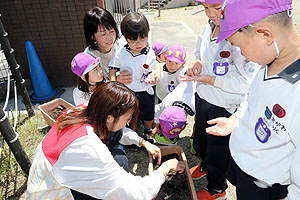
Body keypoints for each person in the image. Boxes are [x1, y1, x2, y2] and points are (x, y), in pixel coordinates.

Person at [205, 0, 300, 199]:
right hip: (246, 166)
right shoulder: (270, 58)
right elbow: (252, 98)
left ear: (265, 35)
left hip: (265, 186)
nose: (241, 54)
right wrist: (235, 120)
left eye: (238, 46)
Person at [26, 82, 185, 200]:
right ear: (109, 117)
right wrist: (166, 168)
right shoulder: (88, 147)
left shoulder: (86, 110)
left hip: (53, 177)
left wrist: (143, 142)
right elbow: (137, 194)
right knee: (119, 169)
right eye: (127, 119)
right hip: (57, 194)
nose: (128, 123)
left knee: (120, 158)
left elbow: (120, 131)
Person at [179, 0, 261, 199]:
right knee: (201, 141)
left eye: (217, 8)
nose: (211, 14)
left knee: (218, 149)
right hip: (204, 96)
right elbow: (200, 53)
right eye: (206, 8)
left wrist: (209, 79)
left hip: (225, 105)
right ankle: (206, 165)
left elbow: (246, 82)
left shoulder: (239, 35)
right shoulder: (208, 28)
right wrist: (197, 63)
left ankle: (217, 189)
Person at [109, 12, 160, 141]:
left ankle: (148, 130)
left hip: (146, 89)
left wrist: (155, 74)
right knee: (131, 113)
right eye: (133, 41)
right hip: (128, 90)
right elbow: (113, 68)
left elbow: (156, 66)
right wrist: (114, 82)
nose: (139, 44)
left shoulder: (150, 52)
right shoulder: (122, 53)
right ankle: (132, 132)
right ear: (125, 38)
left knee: (148, 112)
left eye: (143, 39)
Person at [83, 7, 132, 84]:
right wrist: (116, 79)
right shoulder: (88, 57)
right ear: (92, 36)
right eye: (103, 34)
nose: (110, 38)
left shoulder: (122, 45)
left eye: (112, 31)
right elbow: (93, 86)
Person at [152, 81, 197, 145]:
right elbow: (157, 110)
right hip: (188, 85)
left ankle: (194, 139)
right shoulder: (166, 103)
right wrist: (156, 126)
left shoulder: (197, 105)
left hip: (202, 88)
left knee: (198, 122)